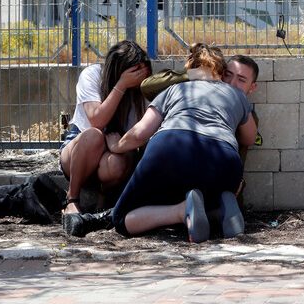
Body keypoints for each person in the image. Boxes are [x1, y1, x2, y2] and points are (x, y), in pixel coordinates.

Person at [107, 43, 257, 243]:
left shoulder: (174, 89)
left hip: (171, 148)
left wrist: (116, 146)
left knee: (121, 218)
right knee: (205, 192)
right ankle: (219, 210)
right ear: (221, 71)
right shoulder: (237, 95)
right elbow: (250, 138)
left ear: (189, 68)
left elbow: (140, 133)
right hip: (224, 160)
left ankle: (180, 211)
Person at [59, 41, 151, 223]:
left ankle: (104, 198)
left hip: (116, 151)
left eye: (143, 68)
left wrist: (118, 147)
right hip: (80, 153)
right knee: (94, 135)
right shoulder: (92, 75)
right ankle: (72, 199)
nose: (141, 74)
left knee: (116, 163)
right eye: (136, 70)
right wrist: (121, 85)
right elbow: (97, 120)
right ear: (119, 69)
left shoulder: (143, 89)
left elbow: (142, 137)